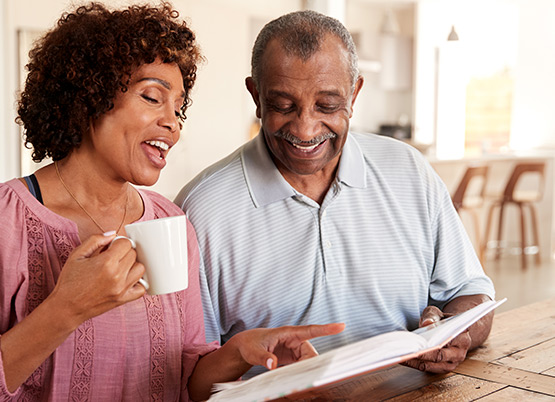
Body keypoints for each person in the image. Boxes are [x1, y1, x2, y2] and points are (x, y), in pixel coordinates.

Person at [0, 4, 345, 401]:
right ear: (88, 96)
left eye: (178, 107)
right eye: (152, 97)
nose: (174, 123)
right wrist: (68, 308)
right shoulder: (9, 219)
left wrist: (240, 351)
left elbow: (187, 381)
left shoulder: (172, 222)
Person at [175, 9, 496, 378]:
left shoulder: (409, 171)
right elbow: (190, 375)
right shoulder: (202, 210)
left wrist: (457, 332)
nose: (306, 128)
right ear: (256, 96)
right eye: (283, 105)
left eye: (327, 105)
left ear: (355, 92)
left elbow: (474, 294)